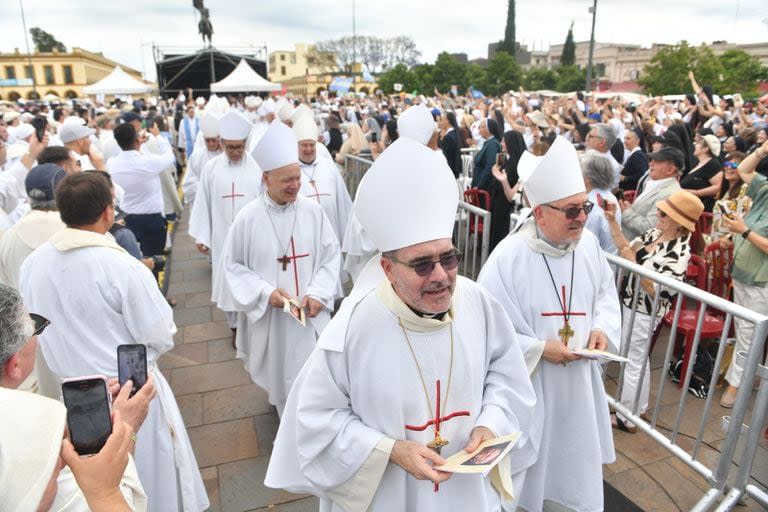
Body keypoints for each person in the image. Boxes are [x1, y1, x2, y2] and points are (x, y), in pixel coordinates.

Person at [265, 137, 536, 511]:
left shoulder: (478, 304)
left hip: (467, 494)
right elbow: (317, 419)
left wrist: (490, 423)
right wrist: (389, 451)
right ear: (388, 269)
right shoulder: (355, 325)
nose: (441, 275)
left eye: (449, 258)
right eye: (422, 264)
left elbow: (507, 377)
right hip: (392, 495)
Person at [19, 172, 209, 512]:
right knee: (147, 482)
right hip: (128, 395)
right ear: (108, 211)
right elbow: (160, 334)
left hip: (72, 402)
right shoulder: (122, 266)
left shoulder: (32, 265)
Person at [478, 136, 620, 512]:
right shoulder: (508, 257)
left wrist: (602, 329)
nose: (581, 217)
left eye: (585, 207)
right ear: (540, 213)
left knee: (574, 469)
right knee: (532, 480)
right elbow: (487, 328)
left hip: (579, 385)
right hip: (532, 383)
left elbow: (607, 294)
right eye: (571, 210)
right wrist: (539, 348)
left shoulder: (588, 245)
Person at [213, 121, 340, 416]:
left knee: (314, 380)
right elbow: (232, 266)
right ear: (266, 178)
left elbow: (330, 257)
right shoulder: (248, 218)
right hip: (272, 317)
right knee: (279, 378)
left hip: (309, 313)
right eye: (286, 180)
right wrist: (266, 292)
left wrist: (319, 294)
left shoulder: (312, 211)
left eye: (297, 178)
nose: (295, 185)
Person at [0, 282, 154, 511]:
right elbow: (109, 498)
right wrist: (127, 429)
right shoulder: (33, 449)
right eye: (36, 327)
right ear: (14, 364)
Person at [605, 190, 703, 431]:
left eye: (665, 213)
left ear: (679, 223)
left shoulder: (679, 253)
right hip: (632, 304)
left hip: (645, 311)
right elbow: (627, 248)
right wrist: (612, 223)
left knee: (632, 360)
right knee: (638, 359)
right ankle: (637, 409)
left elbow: (657, 290)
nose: (658, 214)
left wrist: (632, 261)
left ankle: (627, 417)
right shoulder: (655, 234)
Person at [188, 110, 264, 329]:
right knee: (228, 280)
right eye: (230, 147)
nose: (235, 151)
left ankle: (252, 322)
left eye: (239, 146)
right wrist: (202, 236)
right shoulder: (211, 169)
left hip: (252, 236)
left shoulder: (258, 167)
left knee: (252, 277)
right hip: (222, 236)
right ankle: (234, 326)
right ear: (222, 144)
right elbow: (203, 202)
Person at [720, 139, 768, 408]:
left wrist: (744, 233)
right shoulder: (765, 190)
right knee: (745, 332)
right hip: (743, 274)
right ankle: (750, 376)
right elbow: (744, 171)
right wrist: (761, 150)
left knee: (749, 334)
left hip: (761, 281)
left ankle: (737, 385)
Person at [107, 122, 176, 258]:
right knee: (154, 262)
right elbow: (169, 155)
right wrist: (158, 136)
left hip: (127, 219)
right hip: (152, 220)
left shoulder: (112, 163)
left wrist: (139, 143)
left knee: (133, 261)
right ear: (137, 139)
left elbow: (134, 155)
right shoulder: (149, 162)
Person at [293, 115, 353, 245]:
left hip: (333, 231)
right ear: (296, 146)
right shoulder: (291, 169)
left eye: (311, 145)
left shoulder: (328, 165)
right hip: (304, 236)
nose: (308, 149)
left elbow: (343, 202)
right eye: (304, 145)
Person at [620, 146, 684, 241]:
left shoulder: (669, 194)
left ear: (670, 170)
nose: (651, 163)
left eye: (657, 161)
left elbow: (651, 228)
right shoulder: (657, 184)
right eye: (652, 160)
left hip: (638, 250)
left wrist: (627, 212)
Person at [488, 130, 526, 250]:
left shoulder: (515, 164)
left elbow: (509, 191)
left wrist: (499, 176)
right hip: (500, 204)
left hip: (504, 207)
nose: (501, 143)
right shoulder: (510, 161)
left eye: (504, 141)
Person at [582, 153, 622, 254]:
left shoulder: (590, 205)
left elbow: (585, 243)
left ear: (587, 179)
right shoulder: (610, 196)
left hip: (597, 261)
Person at [182, 111, 222, 205]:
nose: (211, 143)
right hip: (201, 202)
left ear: (219, 139)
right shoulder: (196, 157)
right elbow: (188, 184)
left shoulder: (225, 156)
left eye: (213, 140)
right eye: (207, 140)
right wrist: (208, 189)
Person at [712, 152, 751, 240]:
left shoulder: (745, 190)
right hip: (717, 241)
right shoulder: (726, 191)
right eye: (727, 164)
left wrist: (729, 238)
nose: (729, 167)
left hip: (730, 244)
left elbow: (746, 221)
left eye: (734, 165)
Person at [681, 134, 723, 212]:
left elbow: (718, 186)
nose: (695, 145)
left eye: (698, 143)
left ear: (706, 149)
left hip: (699, 209)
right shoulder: (699, 162)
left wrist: (697, 193)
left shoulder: (713, 164)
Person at [471, 118, 502, 194]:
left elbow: (489, 166)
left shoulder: (492, 144)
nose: (479, 129)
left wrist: (479, 185)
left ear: (489, 129)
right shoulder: (489, 143)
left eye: (481, 127)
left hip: (485, 187)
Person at [585, 123, 622, 187]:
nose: (586, 138)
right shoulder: (591, 155)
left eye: (590, 136)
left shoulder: (610, 165)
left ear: (602, 142)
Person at [439, 111, 462, 177]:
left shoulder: (449, 137)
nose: (441, 122)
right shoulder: (454, 133)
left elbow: (445, 154)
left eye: (442, 120)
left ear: (447, 121)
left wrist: (441, 140)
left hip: (449, 169)